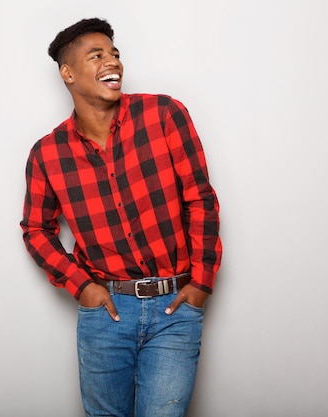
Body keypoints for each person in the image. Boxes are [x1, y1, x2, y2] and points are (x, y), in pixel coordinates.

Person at [20, 17, 222, 417]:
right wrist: (82, 287)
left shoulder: (164, 114)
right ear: (68, 73)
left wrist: (201, 281)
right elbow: (36, 231)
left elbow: (200, 198)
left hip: (174, 310)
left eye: (114, 54)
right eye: (96, 56)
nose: (112, 62)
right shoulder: (48, 154)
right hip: (106, 314)